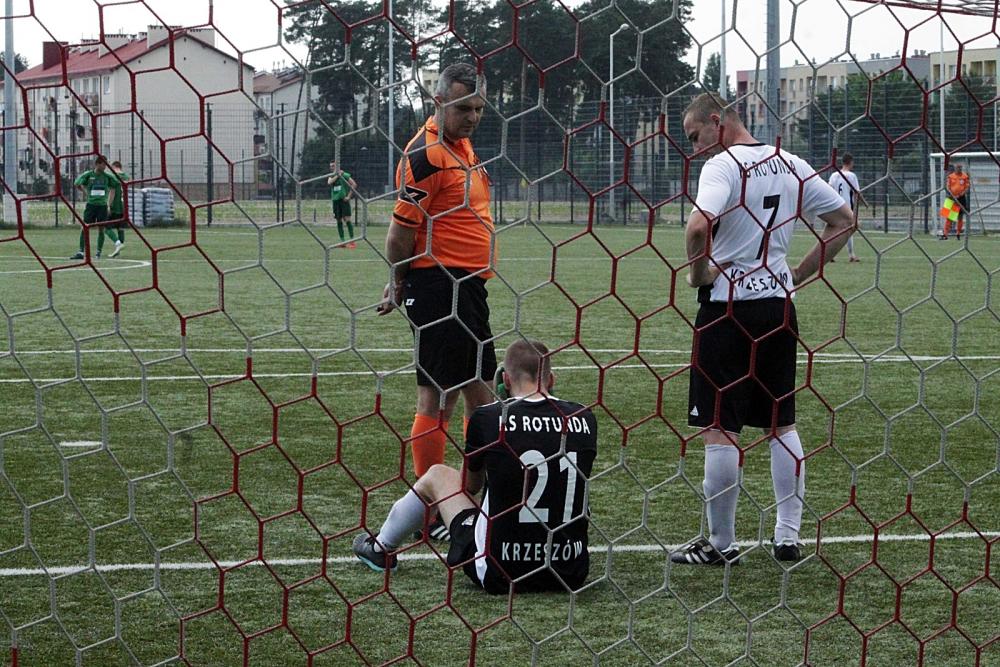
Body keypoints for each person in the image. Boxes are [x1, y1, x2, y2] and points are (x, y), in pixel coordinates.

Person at [673, 93, 855, 566]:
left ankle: (722, 545)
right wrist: (799, 273)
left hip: (727, 310)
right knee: (781, 423)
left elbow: (697, 227)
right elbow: (844, 221)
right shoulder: (791, 163)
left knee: (720, 428)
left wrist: (697, 274)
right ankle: (787, 536)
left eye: (695, 136)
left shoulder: (723, 166)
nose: (695, 149)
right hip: (777, 309)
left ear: (717, 121)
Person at [353, 340, 598, 594]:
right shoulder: (584, 417)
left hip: (500, 571)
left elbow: (469, 486)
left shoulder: (489, 417)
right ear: (551, 379)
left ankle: (381, 547)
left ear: (505, 380)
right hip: (569, 571)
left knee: (437, 475)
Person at [377, 63, 498, 542]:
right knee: (448, 396)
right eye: (464, 108)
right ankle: (436, 508)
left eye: (479, 109)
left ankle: (461, 498)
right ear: (438, 102)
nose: (473, 118)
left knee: (473, 393)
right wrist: (397, 282)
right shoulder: (425, 155)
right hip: (439, 284)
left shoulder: (461, 146)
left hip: (467, 287)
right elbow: (399, 233)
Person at [70, 156, 122, 260]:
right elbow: (77, 183)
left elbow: (116, 185)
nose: (105, 166)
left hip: (102, 206)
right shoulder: (88, 175)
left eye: (106, 164)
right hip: (91, 206)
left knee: (101, 229)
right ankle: (81, 252)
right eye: (103, 164)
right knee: (85, 228)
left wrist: (109, 204)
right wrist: (85, 192)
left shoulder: (107, 176)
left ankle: (98, 252)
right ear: (97, 164)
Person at [827, 153, 862, 262]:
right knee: (849, 229)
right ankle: (851, 255)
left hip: (834, 205)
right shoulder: (851, 176)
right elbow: (857, 192)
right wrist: (857, 205)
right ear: (851, 162)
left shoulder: (834, 175)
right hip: (846, 206)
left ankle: (830, 255)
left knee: (833, 230)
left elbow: (829, 189)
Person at [328, 161, 357, 248]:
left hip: (344, 201)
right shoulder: (331, 176)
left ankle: (352, 241)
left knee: (347, 219)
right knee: (338, 220)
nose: (331, 168)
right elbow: (329, 182)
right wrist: (338, 175)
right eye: (331, 166)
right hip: (335, 201)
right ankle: (343, 241)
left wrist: (349, 196)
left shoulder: (345, 175)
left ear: (337, 166)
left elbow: (354, 184)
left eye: (333, 166)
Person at [943, 162, 970, 240]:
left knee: (960, 217)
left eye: (960, 168)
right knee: (949, 217)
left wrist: (960, 194)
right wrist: (952, 195)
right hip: (951, 197)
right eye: (958, 167)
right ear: (955, 168)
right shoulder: (950, 176)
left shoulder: (965, 176)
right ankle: (945, 234)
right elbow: (948, 187)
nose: (959, 169)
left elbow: (967, 187)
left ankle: (958, 234)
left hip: (961, 198)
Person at [109, 160, 130, 247]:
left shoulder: (112, 176)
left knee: (105, 227)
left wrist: (109, 205)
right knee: (120, 228)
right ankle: (119, 248)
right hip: (124, 205)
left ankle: (117, 242)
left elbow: (112, 192)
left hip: (115, 205)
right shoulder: (126, 177)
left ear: (114, 167)